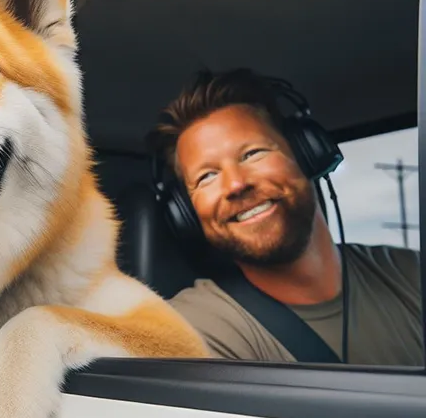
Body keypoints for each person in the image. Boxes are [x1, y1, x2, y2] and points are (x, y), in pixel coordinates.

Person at [153, 68, 422, 366]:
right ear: (187, 213)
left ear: (307, 155)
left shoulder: (411, 273)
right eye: (207, 176)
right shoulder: (186, 332)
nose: (236, 185)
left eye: (252, 154)